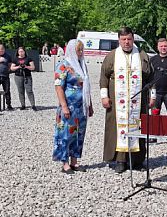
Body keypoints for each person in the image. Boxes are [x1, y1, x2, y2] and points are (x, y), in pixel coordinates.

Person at [100, 26, 155, 173]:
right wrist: (104, 96)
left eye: (129, 39)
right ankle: (120, 160)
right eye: (123, 39)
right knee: (117, 129)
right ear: (119, 40)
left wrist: (153, 96)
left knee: (139, 127)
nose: (126, 42)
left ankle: (136, 160)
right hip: (117, 102)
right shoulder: (112, 56)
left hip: (138, 102)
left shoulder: (142, 56)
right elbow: (104, 76)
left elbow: (151, 77)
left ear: (133, 39)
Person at [52, 39, 94, 174]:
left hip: (81, 107)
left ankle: (75, 161)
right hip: (69, 106)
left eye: (82, 50)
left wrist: (90, 104)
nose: (81, 52)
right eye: (78, 50)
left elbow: (86, 87)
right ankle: (65, 163)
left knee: (79, 134)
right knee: (66, 134)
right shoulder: (63, 65)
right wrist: (64, 106)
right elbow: (58, 86)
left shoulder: (82, 65)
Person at [0, 44, 13, 110]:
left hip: (5, 76)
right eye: (0, 50)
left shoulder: (8, 56)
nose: (1, 51)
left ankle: (9, 105)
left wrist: (9, 70)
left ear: (4, 49)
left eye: (2, 50)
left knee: (7, 91)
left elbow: (10, 64)